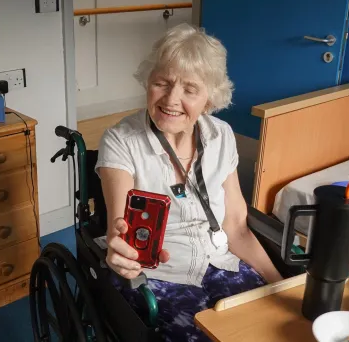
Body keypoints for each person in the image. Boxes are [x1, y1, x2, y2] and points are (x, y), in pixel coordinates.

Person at [95, 23, 283, 342]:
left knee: (271, 328)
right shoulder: (120, 141)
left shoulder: (220, 135)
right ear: (148, 83)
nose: (171, 99)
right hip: (159, 273)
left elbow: (235, 226)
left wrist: (279, 284)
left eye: (189, 89)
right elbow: (121, 228)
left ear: (209, 99)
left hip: (221, 260)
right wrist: (121, 253)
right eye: (162, 83)